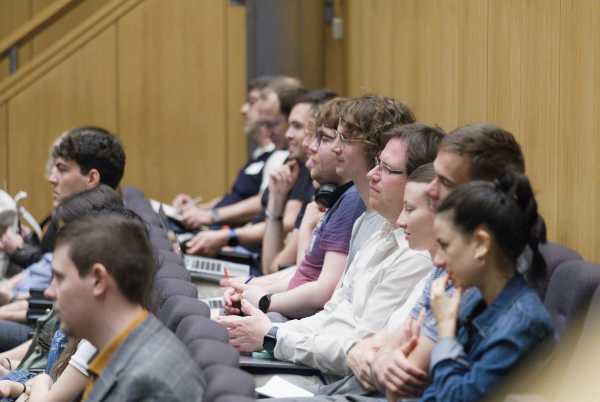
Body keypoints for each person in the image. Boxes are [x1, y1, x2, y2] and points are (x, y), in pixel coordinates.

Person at [222, 97, 366, 320]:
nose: (311, 147)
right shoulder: (329, 197)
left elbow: (283, 269)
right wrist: (250, 286)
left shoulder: (350, 200)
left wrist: (261, 297)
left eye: (324, 139)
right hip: (294, 309)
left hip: (302, 316)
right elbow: (297, 272)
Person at [44, 212, 205, 402]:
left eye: (60, 278)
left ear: (98, 281)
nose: (49, 292)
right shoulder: (123, 350)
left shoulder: (150, 383)